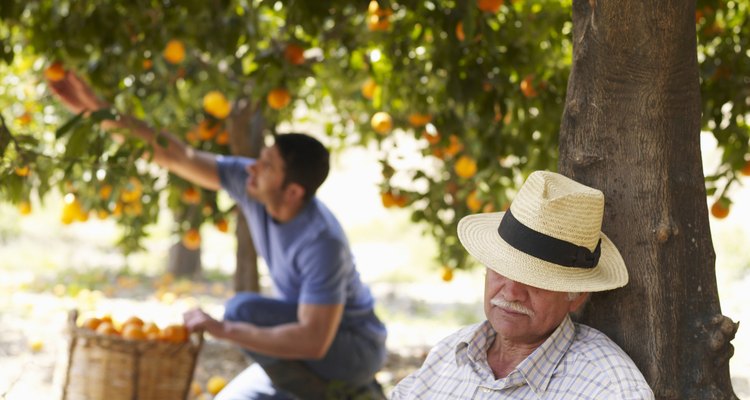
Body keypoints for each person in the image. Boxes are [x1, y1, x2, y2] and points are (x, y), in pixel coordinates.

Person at [49, 72, 387, 399]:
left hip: (352, 349)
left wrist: (223, 330)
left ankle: (348, 395)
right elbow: (177, 155)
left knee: (242, 311)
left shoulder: (321, 242)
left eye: (267, 166)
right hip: (306, 346)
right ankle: (294, 390)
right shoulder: (255, 187)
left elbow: (314, 341)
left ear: (294, 191)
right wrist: (98, 111)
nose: (252, 167)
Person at [391, 170, 654, 399]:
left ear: (576, 296)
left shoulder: (609, 389)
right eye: (502, 269)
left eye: (534, 281)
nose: (511, 292)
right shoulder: (449, 353)